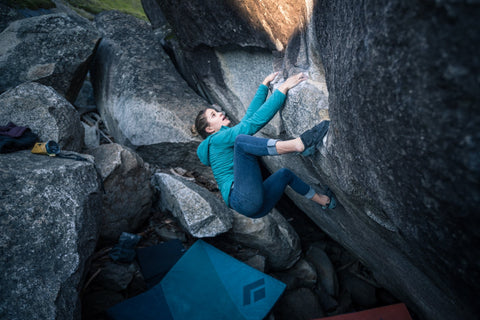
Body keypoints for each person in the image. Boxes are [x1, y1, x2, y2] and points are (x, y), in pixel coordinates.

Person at [194, 72, 336, 219]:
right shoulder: (216, 139)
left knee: (284, 174)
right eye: (213, 115)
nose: (219, 113)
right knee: (242, 141)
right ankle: (299, 145)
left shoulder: (219, 142)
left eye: (216, 112)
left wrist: (264, 85)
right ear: (209, 129)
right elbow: (252, 124)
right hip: (243, 198)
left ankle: (324, 201)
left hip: (254, 208)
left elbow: (248, 118)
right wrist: (284, 87)